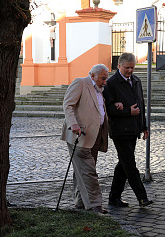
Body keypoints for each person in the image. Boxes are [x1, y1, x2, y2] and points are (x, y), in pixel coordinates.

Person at [103, 53, 153, 208]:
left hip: (133, 129)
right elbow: (108, 109)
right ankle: (142, 197)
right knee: (130, 164)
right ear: (119, 66)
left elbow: (141, 104)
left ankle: (114, 197)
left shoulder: (136, 81)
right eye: (127, 68)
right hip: (119, 131)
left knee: (123, 164)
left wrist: (144, 126)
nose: (130, 70)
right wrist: (126, 111)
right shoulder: (111, 83)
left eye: (132, 67)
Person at [61, 64, 110, 214]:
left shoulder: (99, 90)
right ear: (92, 75)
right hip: (79, 135)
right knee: (88, 171)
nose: (104, 82)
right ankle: (94, 205)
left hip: (94, 136)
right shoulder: (80, 83)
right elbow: (68, 105)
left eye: (106, 79)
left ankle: (80, 203)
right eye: (102, 78)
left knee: (81, 170)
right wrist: (73, 124)